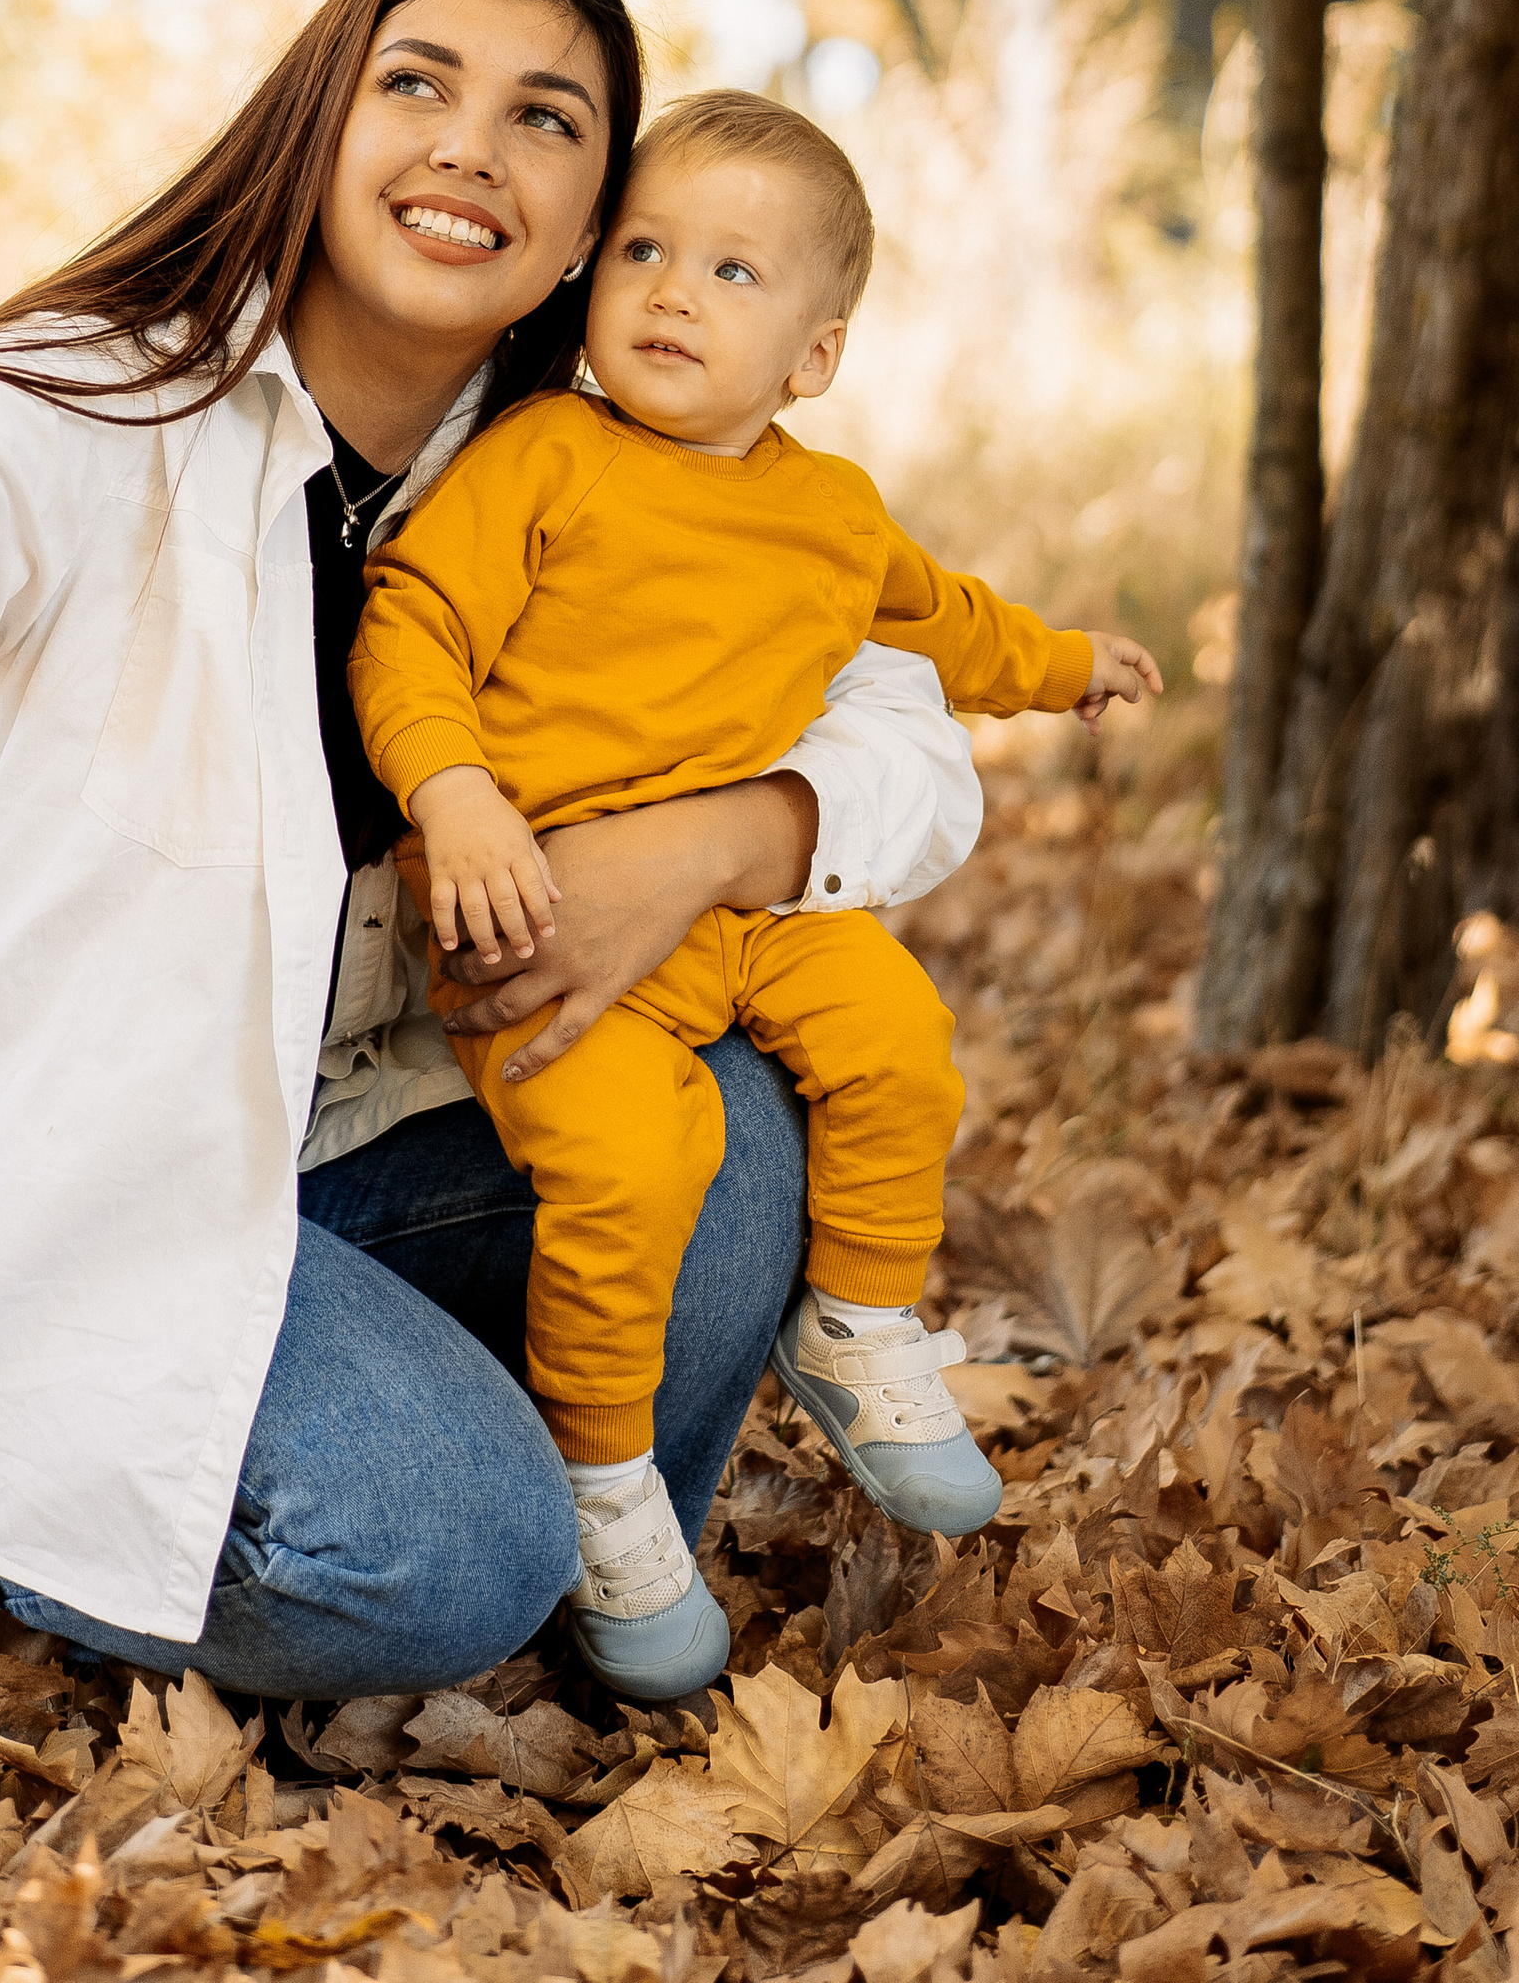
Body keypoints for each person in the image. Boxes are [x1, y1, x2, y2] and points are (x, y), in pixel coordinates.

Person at [0, 0, 986, 1699]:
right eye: (418, 85)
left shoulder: (584, 470)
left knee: (735, 1126)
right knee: (443, 1553)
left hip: (338, 1161)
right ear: (320, 115)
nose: (473, 153)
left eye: (548, 120)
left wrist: (717, 842)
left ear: (602, 220)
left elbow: (904, 733)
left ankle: (602, 1609)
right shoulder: (100, 403)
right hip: (64, 1195)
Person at [353, 91, 1162, 1695]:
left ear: (813, 356)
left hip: (741, 913)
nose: (667, 290)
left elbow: (952, 623)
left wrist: (1071, 666)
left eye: (731, 272)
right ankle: (603, 1485)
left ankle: (859, 1319)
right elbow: (411, 629)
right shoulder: (544, 458)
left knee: (896, 1040)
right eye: (643, 249)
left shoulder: (829, 511)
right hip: (538, 922)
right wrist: (451, 796)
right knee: (636, 1172)